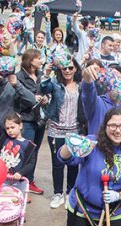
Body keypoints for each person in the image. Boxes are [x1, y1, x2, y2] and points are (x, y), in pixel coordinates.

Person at [58, 109, 121, 226]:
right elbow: (65, 158)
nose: (118, 130)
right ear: (105, 126)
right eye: (113, 125)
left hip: (117, 214)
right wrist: (70, 145)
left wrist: (118, 195)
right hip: (82, 210)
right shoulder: (92, 143)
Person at [41, 53, 83, 209]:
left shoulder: (80, 85)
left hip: (74, 130)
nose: (67, 71)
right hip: (56, 130)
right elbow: (43, 88)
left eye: (70, 67)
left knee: (73, 164)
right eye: (64, 68)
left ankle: (70, 192)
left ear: (75, 68)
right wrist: (46, 73)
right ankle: (57, 193)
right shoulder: (55, 83)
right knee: (57, 164)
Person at [15, 49, 47, 196]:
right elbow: (17, 98)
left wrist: (45, 98)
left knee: (34, 152)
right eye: (38, 58)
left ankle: (30, 180)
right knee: (25, 152)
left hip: (39, 119)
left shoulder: (40, 75)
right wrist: (32, 98)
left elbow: (46, 91)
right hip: (26, 119)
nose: (41, 61)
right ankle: (20, 183)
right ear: (30, 60)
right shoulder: (18, 77)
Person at [81, 64, 121, 141]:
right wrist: (87, 77)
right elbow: (88, 91)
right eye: (115, 79)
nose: (118, 84)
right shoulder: (96, 104)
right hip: (98, 147)